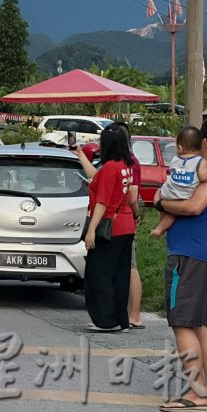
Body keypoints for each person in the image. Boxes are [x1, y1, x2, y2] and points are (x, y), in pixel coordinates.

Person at [155, 116, 207, 412]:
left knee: (182, 322)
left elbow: (193, 206)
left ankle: (197, 393)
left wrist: (160, 203)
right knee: (203, 325)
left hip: (189, 256)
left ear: (206, 142)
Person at [78, 124, 136, 332]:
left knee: (99, 274)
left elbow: (102, 202)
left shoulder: (111, 167)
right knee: (120, 275)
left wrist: (91, 230)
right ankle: (121, 318)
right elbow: (99, 178)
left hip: (109, 227)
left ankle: (105, 320)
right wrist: (80, 156)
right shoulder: (125, 165)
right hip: (126, 225)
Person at [150, 126, 207, 239]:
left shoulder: (175, 159)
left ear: (180, 148)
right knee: (173, 213)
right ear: (202, 145)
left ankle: (160, 225)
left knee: (165, 207)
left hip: (167, 191)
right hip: (183, 194)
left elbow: (172, 172)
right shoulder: (200, 161)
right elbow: (204, 176)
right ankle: (160, 229)